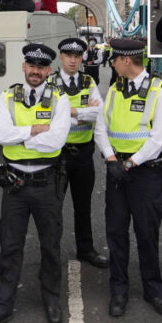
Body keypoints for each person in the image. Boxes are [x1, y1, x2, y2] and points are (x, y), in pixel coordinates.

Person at [0, 44, 70, 323]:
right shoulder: (6, 97)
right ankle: (2, 305)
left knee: (50, 245)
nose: (35, 71)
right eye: (31, 66)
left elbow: (55, 143)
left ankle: (51, 298)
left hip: (47, 183)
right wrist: (33, 130)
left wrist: (17, 136)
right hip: (15, 185)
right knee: (9, 246)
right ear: (24, 67)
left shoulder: (60, 99)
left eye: (42, 67)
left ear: (48, 70)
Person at [94, 38, 162, 318]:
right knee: (116, 232)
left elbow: (159, 138)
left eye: (114, 60)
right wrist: (110, 157)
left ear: (126, 60)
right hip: (117, 168)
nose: (112, 65)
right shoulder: (115, 89)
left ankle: (154, 290)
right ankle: (119, 291)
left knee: (147, 232)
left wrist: (129, 163)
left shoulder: (160, 90)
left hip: (145, 173)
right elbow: (101, 127)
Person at [48, 38, 108, 269]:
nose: (73, 60)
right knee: (53, 207)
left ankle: (86, 249)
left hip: (84, 154)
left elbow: (100, 113)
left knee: (83, 205)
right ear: (61, 57)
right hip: (57, 155)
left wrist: (70, 111)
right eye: (68, 56)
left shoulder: (88, 80)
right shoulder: (51, 82)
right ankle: (51, 252)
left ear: (82, 58)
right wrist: (83, 111)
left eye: (77, 56)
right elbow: (47, 114)